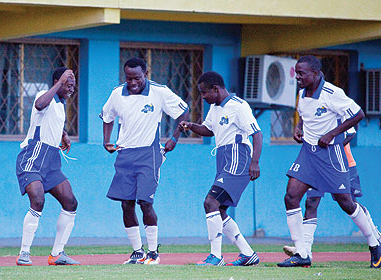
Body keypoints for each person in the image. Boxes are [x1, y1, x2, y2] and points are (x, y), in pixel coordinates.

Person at [277, 55, 381, 268]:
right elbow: (305, 116)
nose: (297, 77)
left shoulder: (333, 94)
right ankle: (302, 253)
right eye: (296, 73)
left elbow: (358, 114)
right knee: (291, 196)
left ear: (315, 73)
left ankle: (375, 243)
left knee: (346, 203)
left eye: (301, 73)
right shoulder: (302, 93)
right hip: (308, 153)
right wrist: (298, 129)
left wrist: (332, 134)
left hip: (331, 155)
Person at [100, 57, 189, 265]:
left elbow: (183, 110)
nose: (132, 83)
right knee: (126, 204)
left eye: (137, 78)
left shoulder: (159, 91)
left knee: (146, 203)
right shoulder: (117, 94)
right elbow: (107, 116)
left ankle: (153, 253)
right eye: (128, 78)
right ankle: (137, 252)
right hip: (124, 154)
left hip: (148, 154)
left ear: (146, 74)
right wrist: (107, 142)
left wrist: (175, 137)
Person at [179, 71, 263, 266]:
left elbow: (257, 134)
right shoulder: (215, 108)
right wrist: (191, 125)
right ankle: (248, 254)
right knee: (220, 210)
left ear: (216, 89)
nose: (203, 97)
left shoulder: (239, 106)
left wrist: (255, 162)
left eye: (204, 92)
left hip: (238, 159)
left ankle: (216, 256)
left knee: (210, 203)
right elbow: (209, 130)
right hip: (224, 161)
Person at [282, 127, 381, 260]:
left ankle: (375, 237)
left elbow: (351, 132)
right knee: (311, 202)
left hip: (342, 164)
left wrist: (332, 145)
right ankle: (305, 251)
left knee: (349, 203)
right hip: (316, 165)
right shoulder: (310, 113)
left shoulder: (334, 108)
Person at [15, 67, 80, 266]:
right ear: (57, 81)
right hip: (34, 156)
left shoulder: (60, 105)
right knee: (38, 200)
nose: (71, 89)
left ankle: (57, 254)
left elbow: (52, 122)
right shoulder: (46, 95)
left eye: (72, 85)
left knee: (70, 202)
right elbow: (39, 105)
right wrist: (59, 83)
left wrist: (64, 135)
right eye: (67, 85)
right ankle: (24, 253)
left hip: (52, 160)